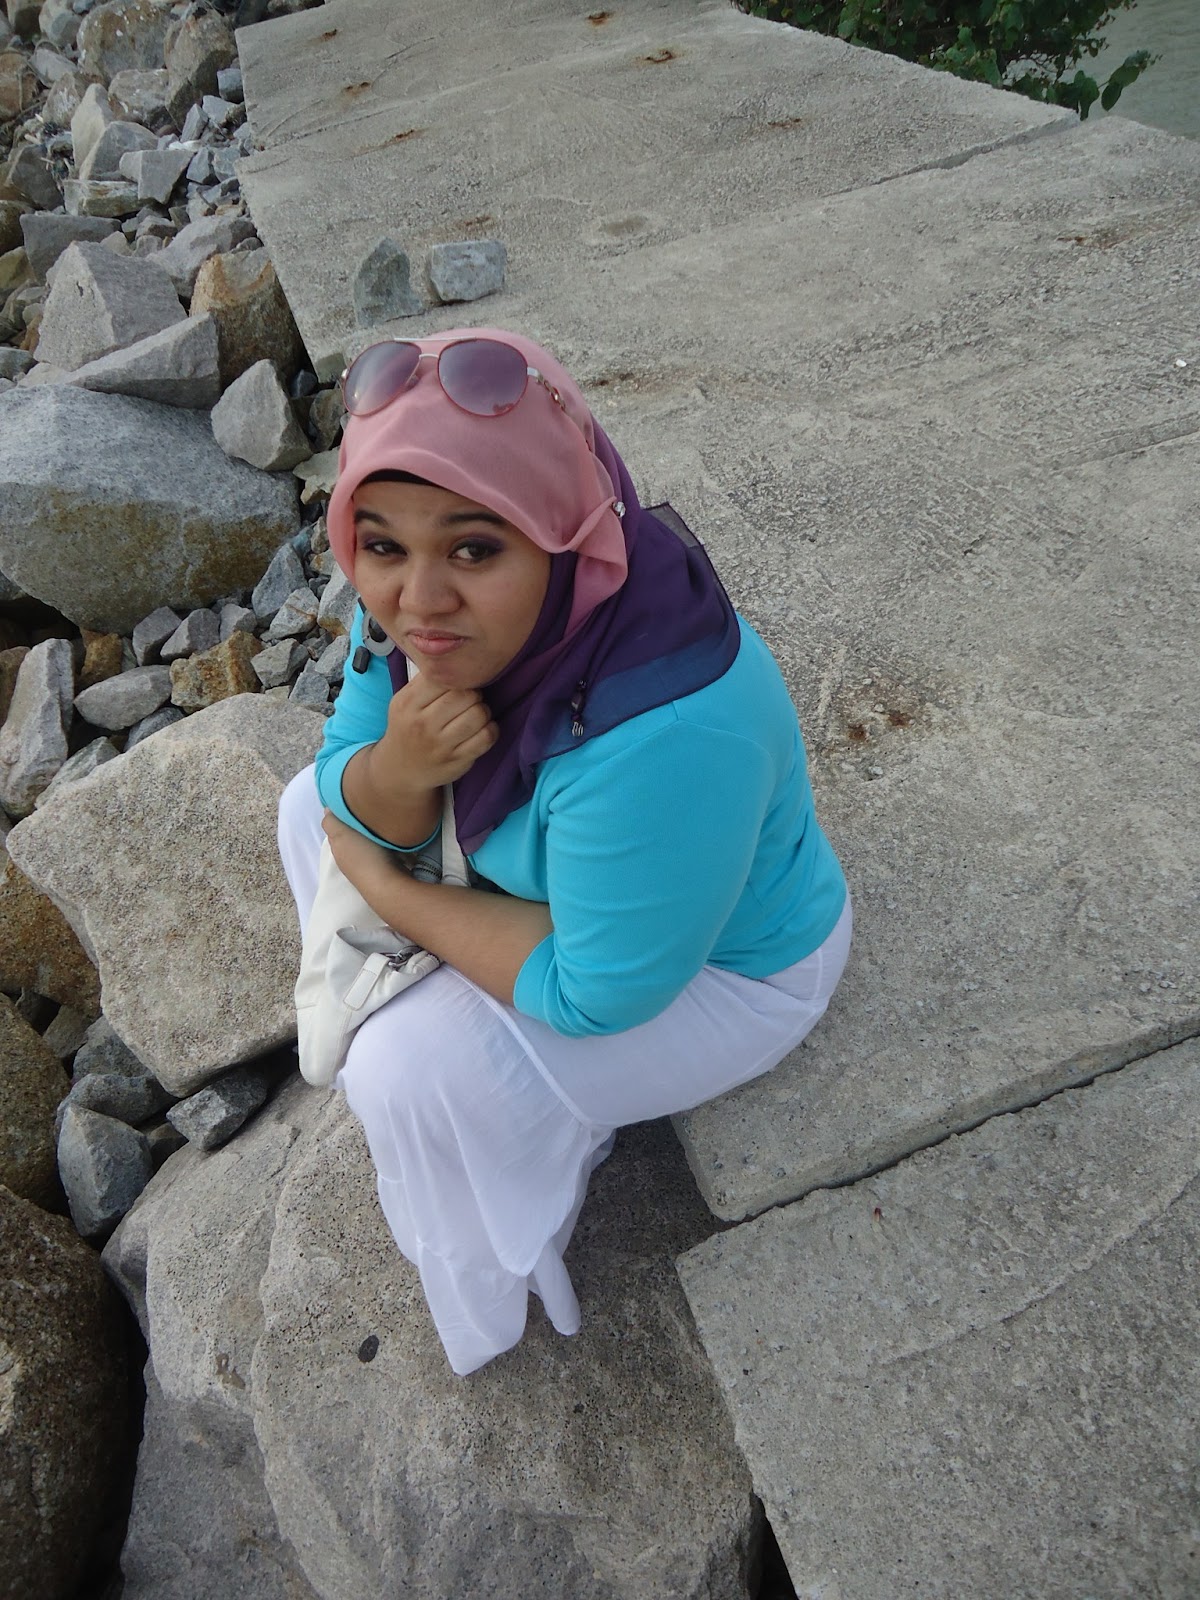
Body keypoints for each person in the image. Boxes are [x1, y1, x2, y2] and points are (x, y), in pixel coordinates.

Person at [277, 328, 850, 1375]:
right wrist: (401, 767)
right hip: (570, 892)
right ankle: (513, 1083)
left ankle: (515, 1216)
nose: (419, 601)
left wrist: (387, 889)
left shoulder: (666, 730)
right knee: (305, 806)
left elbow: (599, 991)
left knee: (406, 1067)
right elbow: (340, 776)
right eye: (383, 545)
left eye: (475, 548)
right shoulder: (417, 619)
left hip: (731, 973)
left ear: (567, 533)